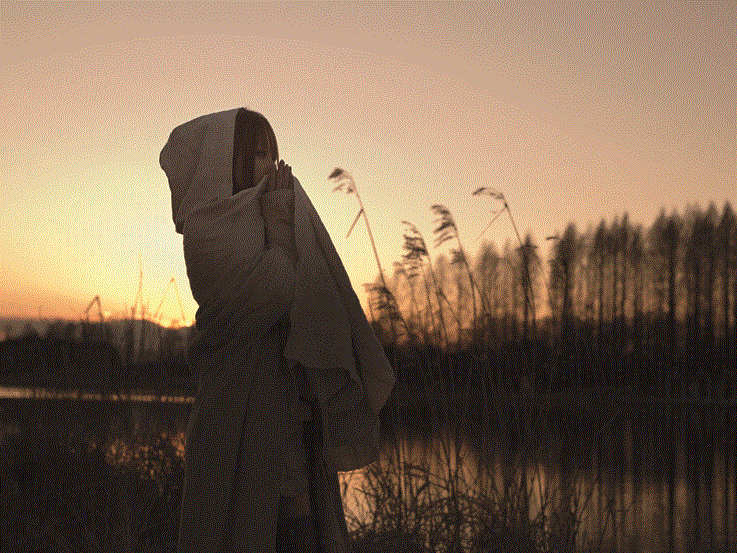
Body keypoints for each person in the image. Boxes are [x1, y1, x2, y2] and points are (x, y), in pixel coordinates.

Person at [159, 108, 396, 553]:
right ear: (225, 160)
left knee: (301, 531)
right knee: (238, 529)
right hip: (232, 416)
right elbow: (274, 294)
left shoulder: (270, 215)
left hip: (289, 414)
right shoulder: (207, 233)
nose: (271, 166)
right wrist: (283, 226)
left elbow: (307, 297)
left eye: (273, 153)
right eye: (258, 154)